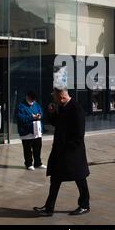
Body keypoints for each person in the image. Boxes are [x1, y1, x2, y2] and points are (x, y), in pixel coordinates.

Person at [34, 87, 90, 217]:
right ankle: (49, 208)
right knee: (55, 179)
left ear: (62, 97)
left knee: (80, 178)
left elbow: (79, 134)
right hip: (60, 151)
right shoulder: (62, 107)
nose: (54, 100)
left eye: (55, 97)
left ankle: (84, 205)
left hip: (72, 153)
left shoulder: (76, 109)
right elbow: (56, 124)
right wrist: (52, 113)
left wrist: (67, 147)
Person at [16, 91, 46, 171]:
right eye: (31, 99)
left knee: (38, 147)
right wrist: (31, 117)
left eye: (33, 100)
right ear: (27, 97)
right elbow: (20, 118)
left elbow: (41, 113)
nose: (32, 101)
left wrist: (39, 116)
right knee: (27, 148)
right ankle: (28, 163)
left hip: (36, 130)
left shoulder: (36, 104)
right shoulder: (21, 106)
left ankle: (38, 163)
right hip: (26, 131)